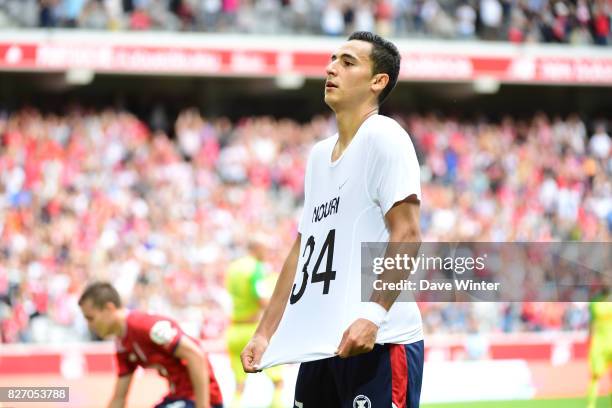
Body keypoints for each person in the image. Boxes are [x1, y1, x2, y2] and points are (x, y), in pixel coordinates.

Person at [241, 31, 424, 407]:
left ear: (378, 81)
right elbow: (302, 251)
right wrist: (265, 333)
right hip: (321, 347)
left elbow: (407, 234)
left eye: (347, 61)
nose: (331, 68)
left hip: (379, 342)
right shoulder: (318, 156)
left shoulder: (384, 137)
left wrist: (372, 317)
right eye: (332, 59)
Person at [78, 282, 224, 408]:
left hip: (200, 399)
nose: (89, 325)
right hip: (179, 397)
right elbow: (119, 399)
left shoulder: (144, 326)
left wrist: (203, 406)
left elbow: (196, 354)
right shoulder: (122, 344)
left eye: (90, 318)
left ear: (109, 309)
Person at [225, 237, 284, 407]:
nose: (267, 254)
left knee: (239, 385)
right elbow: (261, 298)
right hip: (254, 331)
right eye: (265, 250)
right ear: (257, 248)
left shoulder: (233, 268)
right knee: (278, 381)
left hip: (234, 330)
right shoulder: (256, 268)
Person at [586, 285, 612, 408]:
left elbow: (591, 325)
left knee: (595, 377)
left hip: (599, 345)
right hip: (605, 344)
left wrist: (589, 341)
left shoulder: (595, 304)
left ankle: (591, 405)